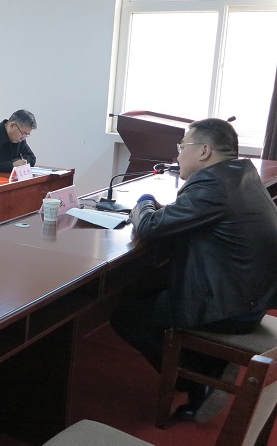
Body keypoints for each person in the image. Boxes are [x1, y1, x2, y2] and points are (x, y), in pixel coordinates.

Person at [111, 119, 277, 424]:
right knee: (144, 292)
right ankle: (210, 363)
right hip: (251, 297)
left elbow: (149, 226)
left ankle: (199, 379)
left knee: (127, 313)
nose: (177, 155)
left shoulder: (213, 186)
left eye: (181, 147)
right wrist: (163, 211)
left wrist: (144, 201)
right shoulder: (240, 174)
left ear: (204, 151)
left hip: (230, 308)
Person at [0, 109, 37, 174]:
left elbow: (32, 157)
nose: (24, 138)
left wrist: (24, 162)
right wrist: (11, 165)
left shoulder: (20, 139)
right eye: (23, 133)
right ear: (12, 125)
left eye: (27, 135)